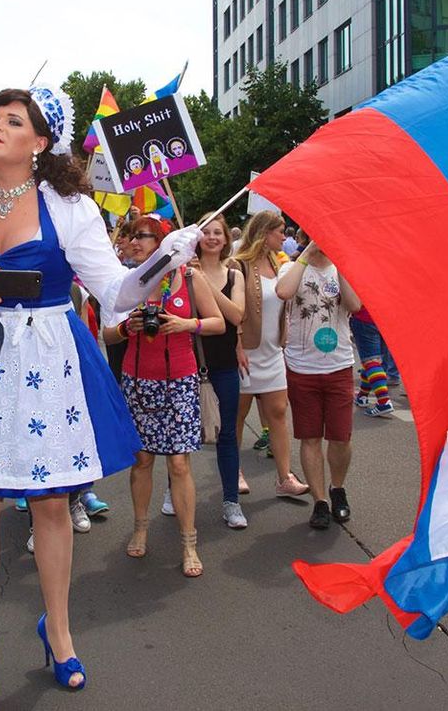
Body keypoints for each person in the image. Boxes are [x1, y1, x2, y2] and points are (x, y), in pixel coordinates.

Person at [0, 85, 199, 700]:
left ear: (41, 141)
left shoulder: (69, 204)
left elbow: (117, 294)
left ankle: (58, 631)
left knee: (52, 506)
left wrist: (164, 258)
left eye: (12, 120)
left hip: (46, 361)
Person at [103, 216, 224, 574]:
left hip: (180, 380)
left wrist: (187, 325)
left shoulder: (188, 276)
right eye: (132, 236)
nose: (134, 242)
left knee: (179, 463)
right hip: (138, 381)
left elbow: (218, 321)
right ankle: (140, 530)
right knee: (142, 460)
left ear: (163, 243)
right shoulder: (128, 283)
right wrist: (128, 327)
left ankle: (189, 543)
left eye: (142, 236)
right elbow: (109, 335)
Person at [276, 240, 362, 528]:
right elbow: (283, 292)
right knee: (310, 436)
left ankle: (338, 489)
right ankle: (320, 500)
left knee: (341, 437)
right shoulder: (292, 267)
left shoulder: (342, 268)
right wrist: (306, 255)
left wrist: (343, 262)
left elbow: (354, 305)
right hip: (302, 367)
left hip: (338, 364)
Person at [233, 210, 310, 498]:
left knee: (278, 413)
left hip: (273, 351)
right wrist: (237, 345)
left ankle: (284, 477)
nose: (284, 236)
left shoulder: (280, 264)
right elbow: (233, 311)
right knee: (237, 417)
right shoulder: (238, 265)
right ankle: (234, 471)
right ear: (265, 233)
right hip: (246, 353)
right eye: (279, 231)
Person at [194, 212, 248, 528]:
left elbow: (236, 315)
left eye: (218, 232)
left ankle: (231, 502)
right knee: (185, 434)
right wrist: (194, 277)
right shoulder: (184, 272)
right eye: (206, 232)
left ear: (226, 239)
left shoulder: (235, 274)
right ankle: (176, 493)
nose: (212, 237)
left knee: (227, 434)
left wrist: (204, 284)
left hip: (225, 364)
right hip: (191, 363)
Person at [350, 307, 395, 416]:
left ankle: (383, 401)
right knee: (373, 362)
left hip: (366, 318)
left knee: (371, 362)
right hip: (387, 318)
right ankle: (362, 396)